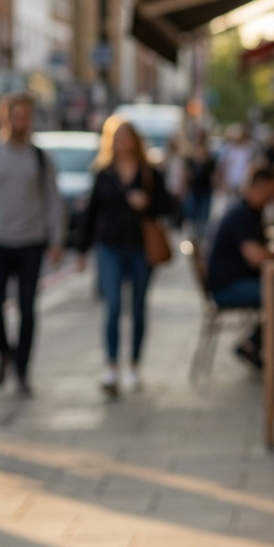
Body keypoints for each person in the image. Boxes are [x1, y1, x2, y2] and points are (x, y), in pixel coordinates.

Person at [80, 117, 172, 396]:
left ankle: (134, 364)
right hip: (109, 247)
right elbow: (91, 214)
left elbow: (169, 205)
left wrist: (148, 203)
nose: (123, 144)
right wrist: (81, 250)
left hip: (140, 247)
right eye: (118, 138)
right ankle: (111, 366)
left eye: (128, 137)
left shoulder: (149, 173)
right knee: (113, 307)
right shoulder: (104, 174)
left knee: (138, 307)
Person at [0, 92, 63, 394]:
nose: (22, 121)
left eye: (27, 115)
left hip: (31, 241)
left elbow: (53, 200)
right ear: (5, 117)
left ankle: (22, 369)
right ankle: (5, 352)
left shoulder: (40, 158)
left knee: (28, 310)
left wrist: (56, 238)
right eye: (17, 115)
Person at [206, 165, 274, 368]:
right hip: (228, 287)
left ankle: (254, 345)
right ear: (261, 186)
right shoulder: (242, 214)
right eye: (273, 189)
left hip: (236, 281)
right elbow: (256, 257)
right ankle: (255, 346)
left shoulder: (251, 212)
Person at [183, 130, 215, 241]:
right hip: (193, 190)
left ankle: (200, 239)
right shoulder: (190, 157)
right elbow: (186, 175)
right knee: (192, 217)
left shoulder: (210, 157)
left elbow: (213, 175)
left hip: (205, 190)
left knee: (203, 217)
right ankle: (194, 239)